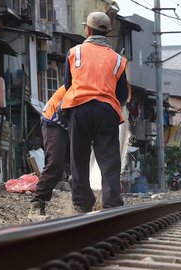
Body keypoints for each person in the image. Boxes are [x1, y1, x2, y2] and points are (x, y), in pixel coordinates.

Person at [62, 11, 129, 213]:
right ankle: (111, 202)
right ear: (107, 32)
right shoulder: (118, 59)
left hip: (79, 107)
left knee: (79, 157)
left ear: (88, 30)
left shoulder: (75, 52)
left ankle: (82, 203)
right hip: (106, 110)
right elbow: (123, 94)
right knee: (109, 159)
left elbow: (68, 85)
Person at [30, 85, 70, 215]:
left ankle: (79, 204)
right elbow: (61, 110)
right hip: (54, 120)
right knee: (55, 164)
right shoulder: (79, 84)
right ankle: (38, 202)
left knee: (76, 166)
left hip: (69, 126)